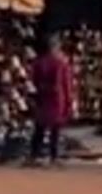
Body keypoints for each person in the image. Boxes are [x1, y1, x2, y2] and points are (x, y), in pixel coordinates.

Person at [29, 34, 74, 165]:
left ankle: (34, 155)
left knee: (39, 128)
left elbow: (34, 80)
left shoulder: (38, 62)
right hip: (57, 98)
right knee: (55, 129)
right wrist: (70, 101)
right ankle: (54, 156)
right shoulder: (62, 63)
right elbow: (67, 84)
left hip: (43, 96)